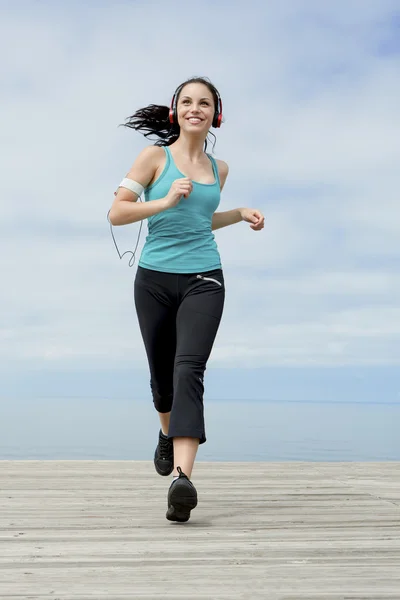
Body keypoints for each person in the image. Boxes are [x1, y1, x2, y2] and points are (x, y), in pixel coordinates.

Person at [108, 76, 264, 523]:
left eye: (205, 103)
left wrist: (237, 214)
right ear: (176, 111)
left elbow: (199, 222)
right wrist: (163, 203)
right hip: (154, 280)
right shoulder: (154, 158)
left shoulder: (221, 169)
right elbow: (117, 212)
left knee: (188, 369)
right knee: (162, 381)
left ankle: (182, 480)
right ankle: (165, 435)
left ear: (217, 115)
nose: (196, 107)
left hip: (204, 278)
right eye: (188, 101)